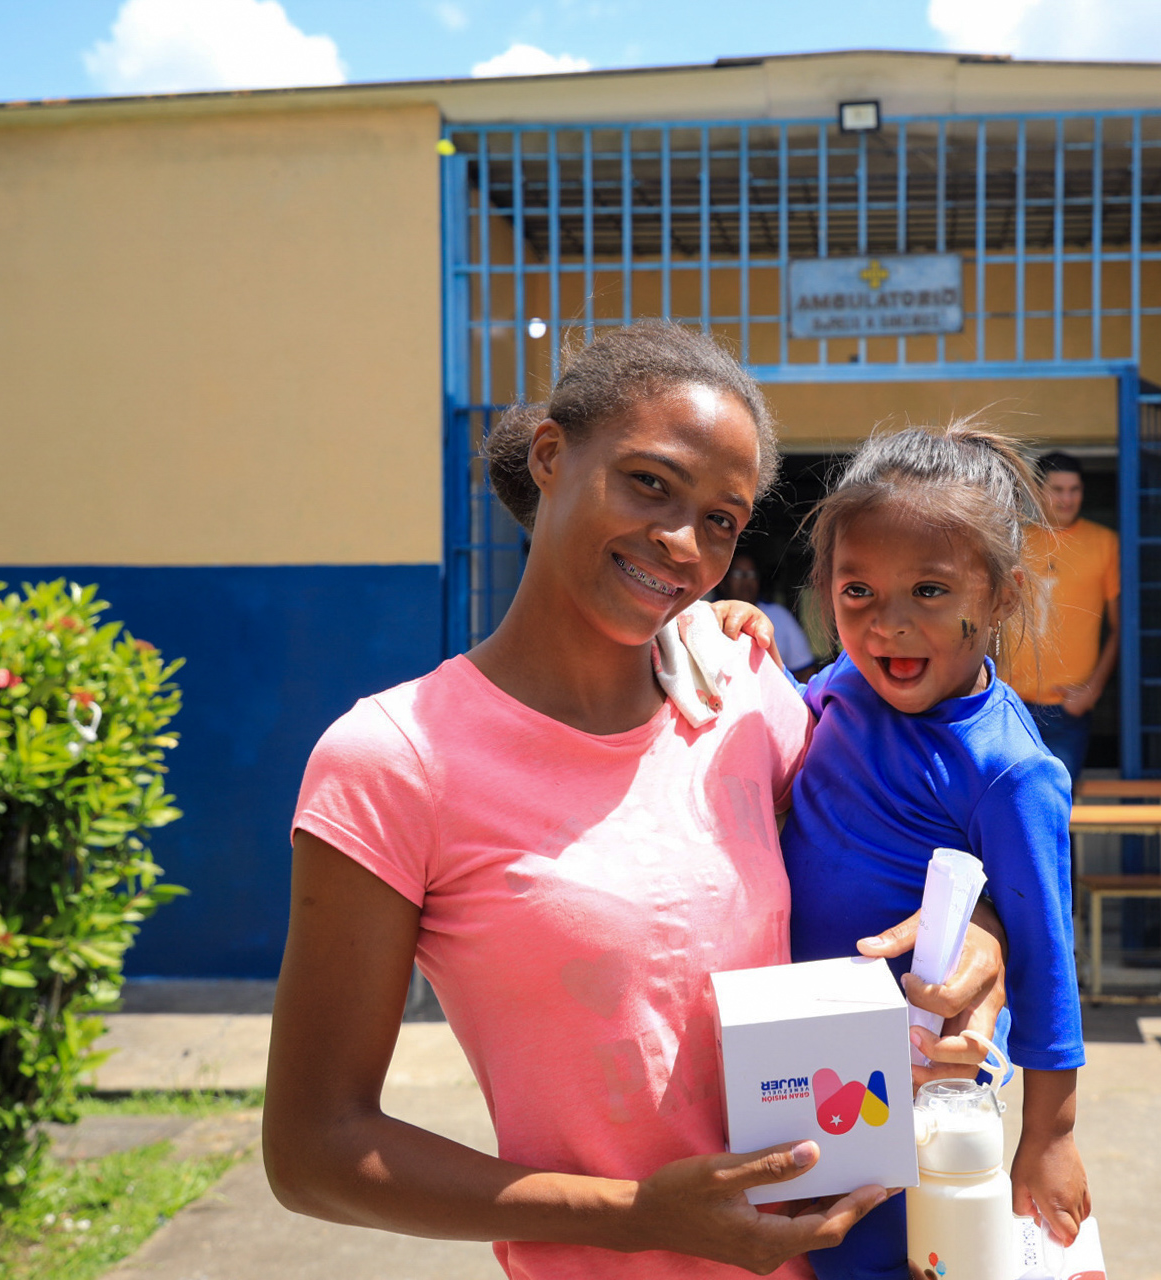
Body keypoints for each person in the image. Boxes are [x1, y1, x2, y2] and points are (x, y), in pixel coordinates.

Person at [261, 324, 1009, 1280]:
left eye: (722, 521)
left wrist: (978, 931)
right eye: (650, 482)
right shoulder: (395, 762)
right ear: (549, 457)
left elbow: (933, 822)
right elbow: (316, 1151)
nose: (680, 543)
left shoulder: (745, 696)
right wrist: (638, 1217)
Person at [721, 425, 1090, 1279]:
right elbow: (785, 725)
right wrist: (743, 637)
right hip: (794, 1059)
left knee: (893, 1255)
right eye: (857, 591)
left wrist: (1051, 1135)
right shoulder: (845, 683)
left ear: (999, 596)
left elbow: (1046, 957)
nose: (889, 625)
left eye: (929, 590)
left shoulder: (1010, 769)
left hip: (911, 1081)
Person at [999, 451, 1119, 787]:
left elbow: (1122, 629)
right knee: (1011, 804)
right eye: (1057, 489)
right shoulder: (1015, 543)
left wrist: (1093, 690)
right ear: (1038, 491)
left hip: (1067, 708)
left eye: (1074, 489)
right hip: (1011, 701)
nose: (1067, 498)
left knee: (1057, 808)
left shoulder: (1105, 544)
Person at [719, 551, 819, 681]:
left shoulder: (779, 615)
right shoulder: (708, 615)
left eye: (751, 575)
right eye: (738, 574)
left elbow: (806, 670)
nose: (746, 581)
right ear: (722, 581)